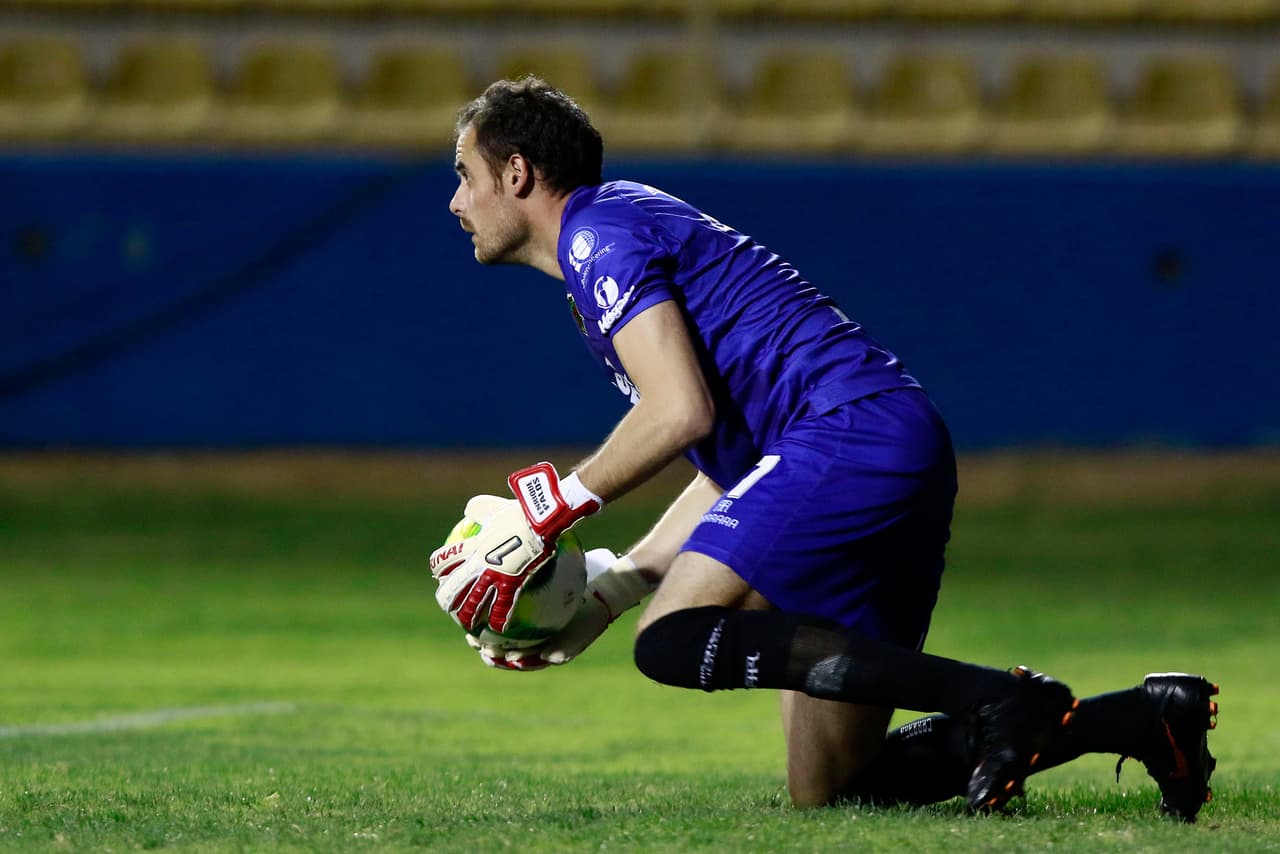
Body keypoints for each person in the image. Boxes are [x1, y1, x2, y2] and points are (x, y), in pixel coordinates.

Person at [428, 76, 1219, 820]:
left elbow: (678, 414)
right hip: (870, 441)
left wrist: (548, 515)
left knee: (672, 640)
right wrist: (612, 587)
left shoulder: (599, 235)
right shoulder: (615, 228)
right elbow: (727, 463)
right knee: (834, 788)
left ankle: (1000, 697)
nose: (458, 200)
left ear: (519, 173)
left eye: (465, 174)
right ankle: (1147, 719)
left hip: (847, 436)